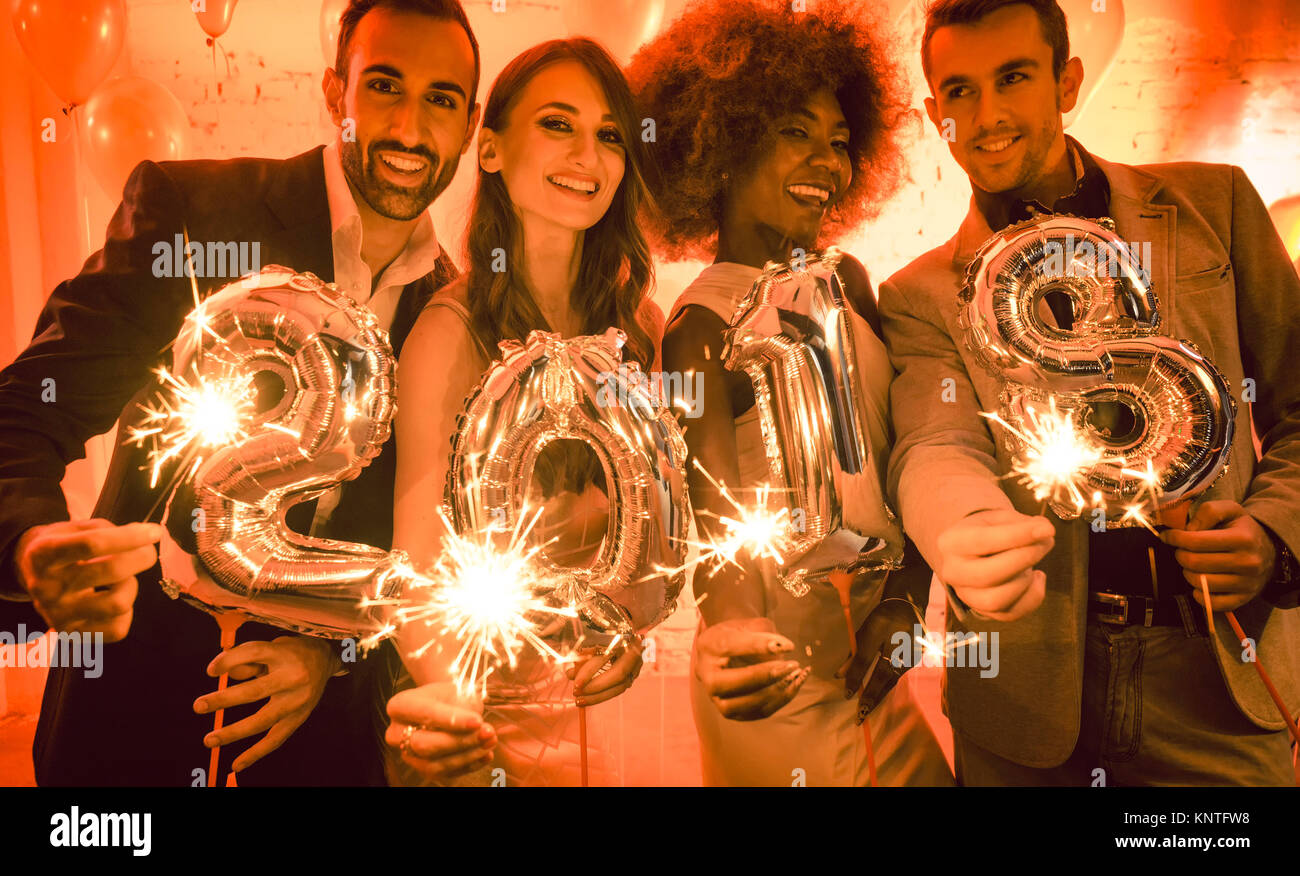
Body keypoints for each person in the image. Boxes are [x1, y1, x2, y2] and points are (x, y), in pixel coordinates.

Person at [0, 0, 481, 785]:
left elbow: (423, 565)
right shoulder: (194, 216)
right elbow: (22, 414)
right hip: (131, 728)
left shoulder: (456, 316)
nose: (409, 129)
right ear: (335, 95)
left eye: (441, 98)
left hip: (321, 755)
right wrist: (31, 546)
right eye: (384, 87)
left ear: (470, 122)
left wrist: (335, 652)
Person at [881, 0, 1300, 785]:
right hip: (1023, 701)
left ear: (1066, 81)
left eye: (1014, 78)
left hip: (1217, 689)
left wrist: (1275, 540)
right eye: (960, 91)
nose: (989, 114)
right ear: (936, 114)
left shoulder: (1219, 207)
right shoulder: (919, 292)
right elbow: (936, 444)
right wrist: (964, 530)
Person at [628, 0, 954, 786]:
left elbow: (907, 451)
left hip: (879, 668)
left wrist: (908, 600)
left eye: (839, 143)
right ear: (726, 146)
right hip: (781, 684)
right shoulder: (698, 329)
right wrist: (738, 633)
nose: (828, 164)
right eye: (795, 134)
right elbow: (712, 524)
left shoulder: (849, 280)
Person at [384, 38, 662, 786]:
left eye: (608, 134)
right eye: (557, 124)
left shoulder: (643, 329)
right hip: (490, 713)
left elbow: (658, 540)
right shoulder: (450, 332)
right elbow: (415, 560)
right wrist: (455, 705)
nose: (587, 155)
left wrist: (630, 628)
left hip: (622, 703)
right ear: (493, 149)